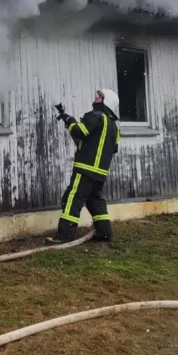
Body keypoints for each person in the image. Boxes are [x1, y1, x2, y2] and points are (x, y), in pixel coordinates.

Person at [46, 88, 121, 244]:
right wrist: (70, 122)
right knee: (95, 201)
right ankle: (104, 233)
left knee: (72, 198)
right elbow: (112, 148)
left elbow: (80, 131)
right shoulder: (114, 127)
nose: (96, 98)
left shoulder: (95, 116)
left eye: (99, 97)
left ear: (106, 101)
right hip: (100, 173)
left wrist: (70, 121)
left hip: (85, 169)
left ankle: (64, 235)